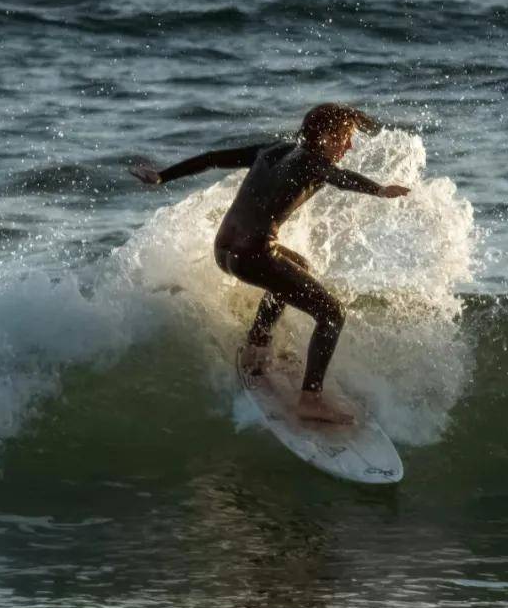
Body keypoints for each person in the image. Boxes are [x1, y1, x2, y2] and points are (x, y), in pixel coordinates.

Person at [133, 104, 409, 424]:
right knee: (332, 313)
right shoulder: (314, 162)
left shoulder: (274, 149)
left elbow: (212, 159)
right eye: (344, 138)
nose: (348, 146)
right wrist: (378, 189)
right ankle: (311, 399)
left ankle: (257, 343)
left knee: (296, 267)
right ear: (322, 137)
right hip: (254, 257)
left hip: (225, 251)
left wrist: (162, 176)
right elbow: (340, 177)